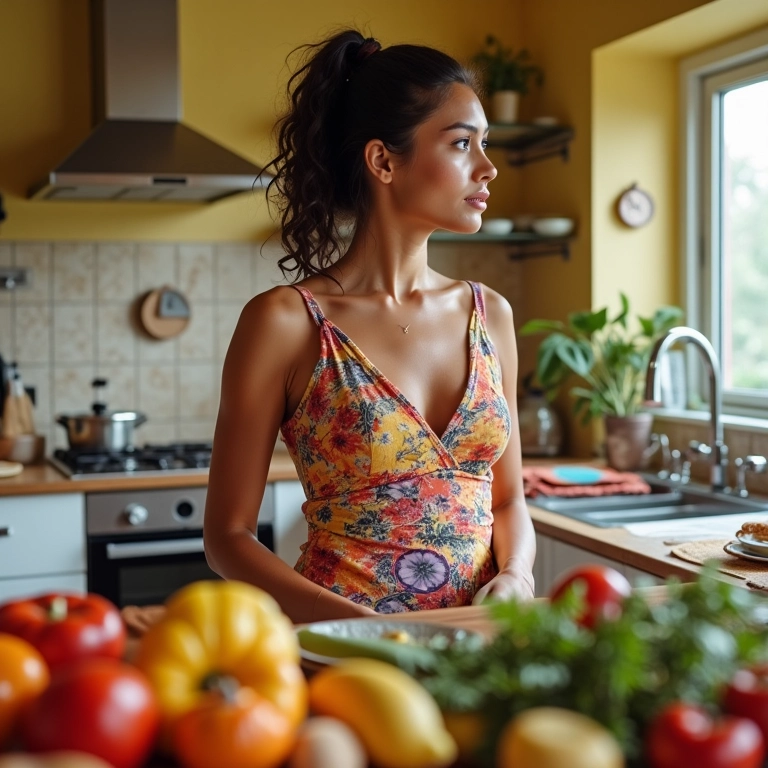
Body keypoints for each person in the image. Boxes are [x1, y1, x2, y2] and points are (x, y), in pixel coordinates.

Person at [203, 29, 536, 623]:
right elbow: (228, 537)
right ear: (383, 160)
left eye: (485, 144)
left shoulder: (492, 315)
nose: (487, 168)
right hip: (344, 654)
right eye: (462, 144)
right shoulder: (286, 321)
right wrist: (360, 628)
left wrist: (516, 574)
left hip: (477, 647)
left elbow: (508, 499)